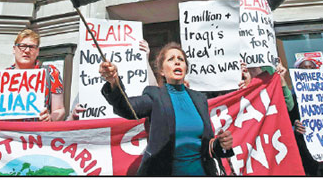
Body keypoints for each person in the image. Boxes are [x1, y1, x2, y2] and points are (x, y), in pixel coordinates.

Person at [99, 42, 233, 176]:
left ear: (186, 68)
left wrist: (220, 144)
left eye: (181, 59)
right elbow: (126, 108)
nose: (177, 62)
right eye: (171, 59)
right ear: (162, 71)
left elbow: (206, 147)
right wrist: (114, 82)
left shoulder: (200, 99)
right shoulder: (155, 96)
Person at [0, 29, 65, 122]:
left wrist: (50, 118)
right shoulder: (1, 78)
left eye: (32, 47)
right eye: (22, 46)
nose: (27, 50)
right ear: (14, 49)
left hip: (36, 136)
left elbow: (59, 109)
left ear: (37, 51)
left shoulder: (50, 73)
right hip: (9, 136)